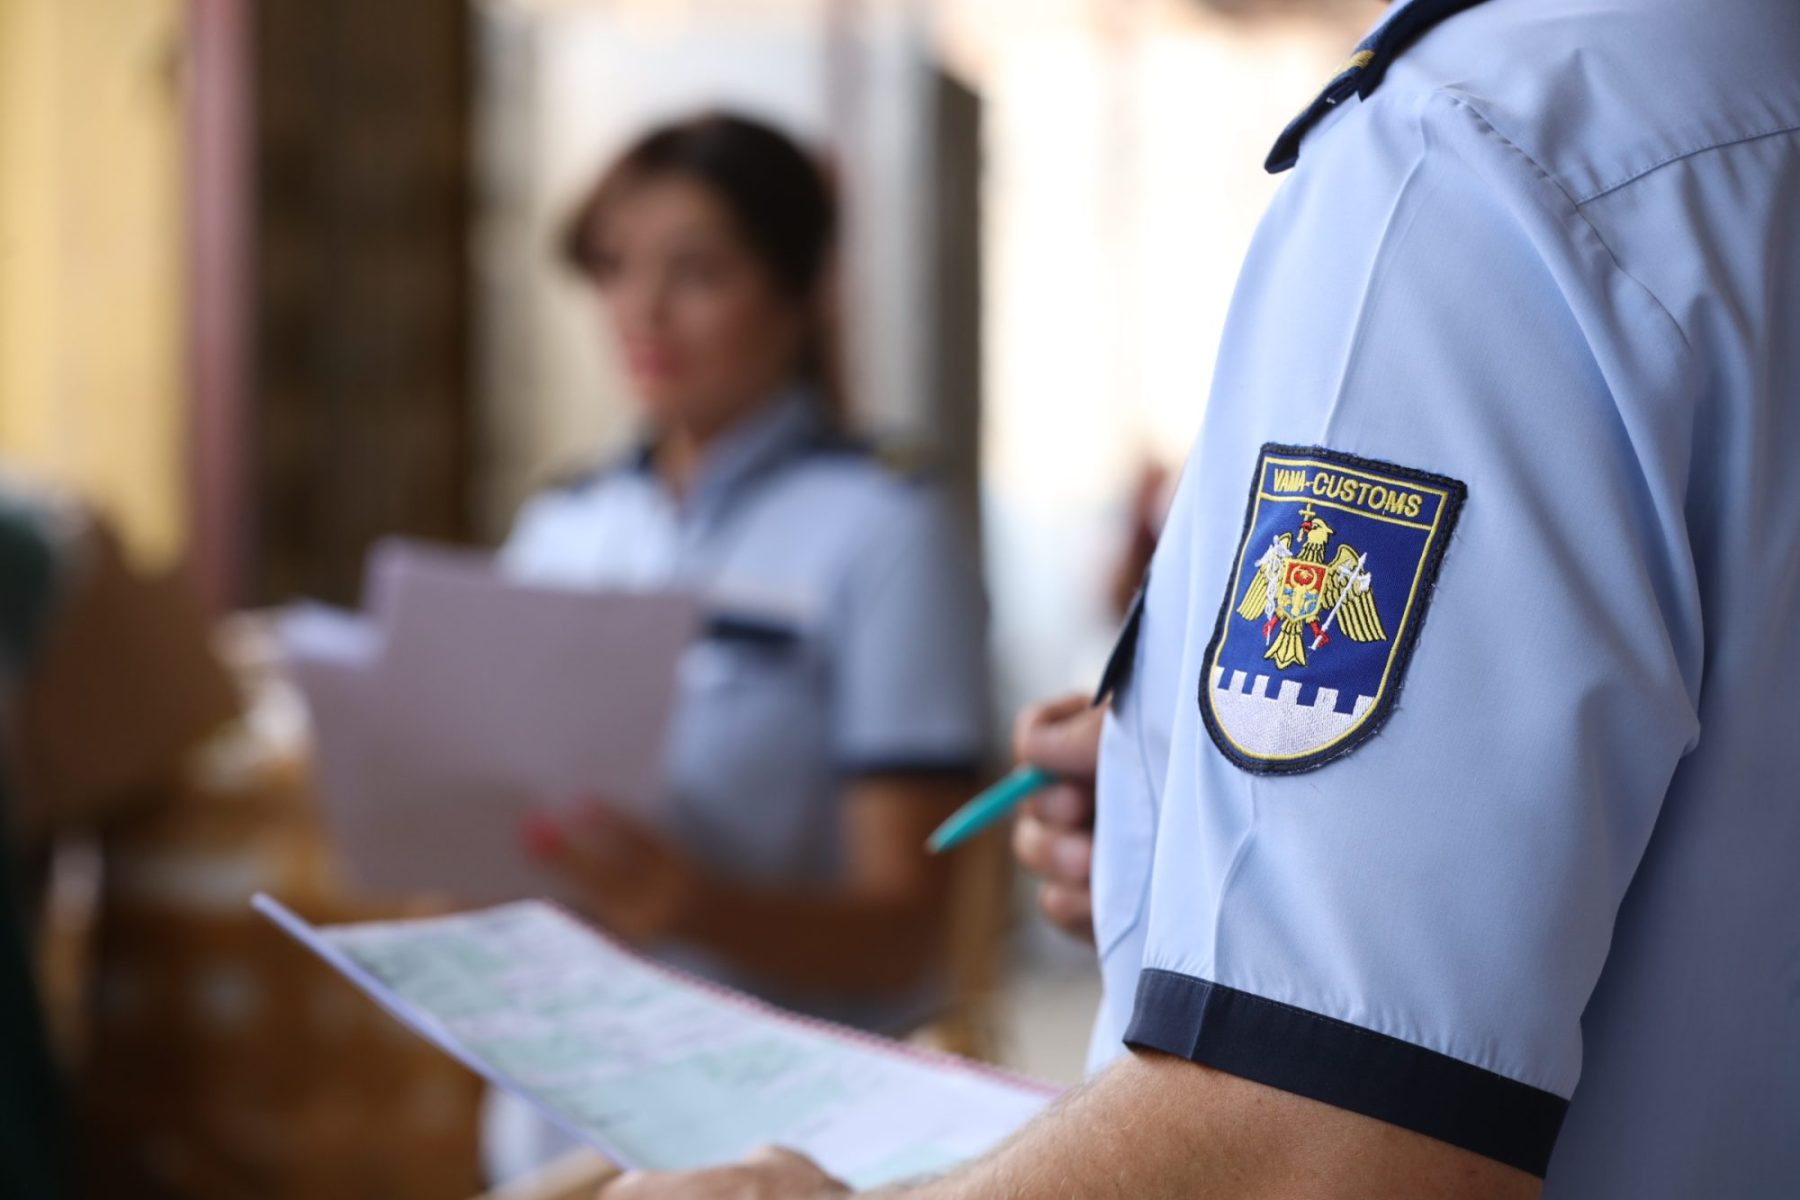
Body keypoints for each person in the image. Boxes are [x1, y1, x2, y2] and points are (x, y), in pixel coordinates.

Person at [600, 0, 1800, 1195]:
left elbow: (1314, 1143)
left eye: (697, 270)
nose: (642, 310)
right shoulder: (1726, 95)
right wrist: (1182, 814)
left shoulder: (1466, 159)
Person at [487, 112, 990, 1180]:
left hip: (784, 1149)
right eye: (615, 268)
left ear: (799, 290)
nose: (642, 309)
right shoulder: (563, 526)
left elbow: (909, 926)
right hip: (554, 1134)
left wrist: (699, 907)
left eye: (697, 272)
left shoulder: (883, 528)